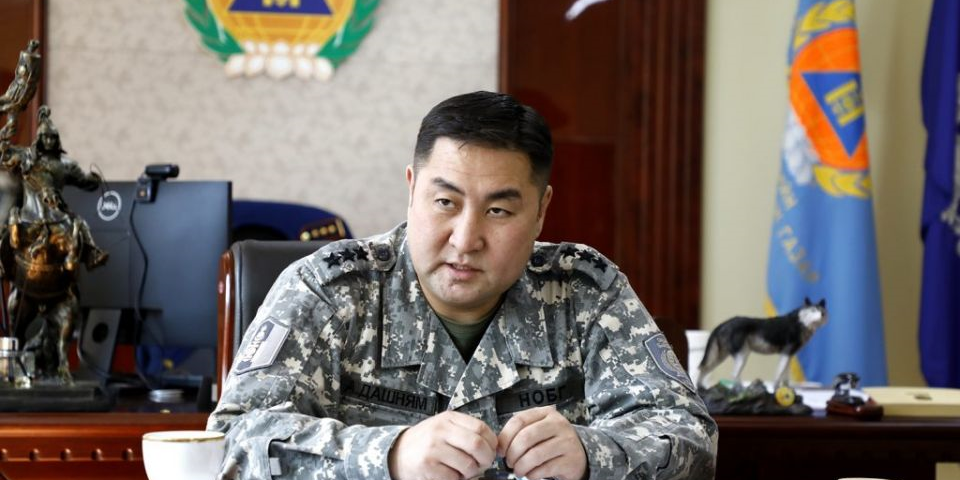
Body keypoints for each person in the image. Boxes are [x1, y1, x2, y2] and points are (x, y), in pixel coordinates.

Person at [209, 91, 717, 480]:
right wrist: (389, 456)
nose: (466, 239)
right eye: (445, 203)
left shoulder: (584, 292)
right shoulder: (330, 289)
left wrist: (591, 453)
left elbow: (692, 439)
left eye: (498, 211)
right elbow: (230, 441)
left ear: (540, 211)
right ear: (412, 189)